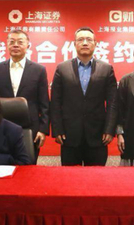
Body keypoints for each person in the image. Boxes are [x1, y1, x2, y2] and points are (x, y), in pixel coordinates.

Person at [50, 27, 117, 166]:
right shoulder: (62, 68)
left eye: (89, 40)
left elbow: (113, 103)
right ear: (74, 44)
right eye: (80, 40)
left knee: (96, 176)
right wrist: (57, 129)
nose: (85, 43)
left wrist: (109, 129)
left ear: (95, 44)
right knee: (70, 176)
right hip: (69, 134)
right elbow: (55, 102)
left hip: (98, 135)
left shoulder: (106, 68)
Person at [0, 29, 49, 163]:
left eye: (20, 42)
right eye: (12, 42)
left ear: (28, 45)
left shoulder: (39, 70)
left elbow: (44, 103)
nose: (15, 45)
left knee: (28, 166)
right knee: (1, 164)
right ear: (7, 45)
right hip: (1, 126)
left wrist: (43, 130)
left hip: (30, 128)